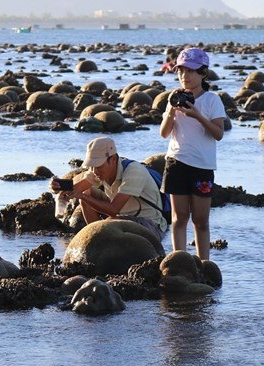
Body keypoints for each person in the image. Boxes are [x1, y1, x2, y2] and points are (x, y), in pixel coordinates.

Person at [158, 47, 226, 261]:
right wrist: (170, 110)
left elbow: (218, 133)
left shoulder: (212, 100)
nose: (184, 76)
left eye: (190, 71)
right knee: (178, 219)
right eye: (180, 71)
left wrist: (197, 115)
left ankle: (204, 263)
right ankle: (180, 262)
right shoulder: (174, 98)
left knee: (201, 220)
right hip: (176, 163)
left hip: (202, 167)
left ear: (203, 73)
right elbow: (164, 133)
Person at [49, 137, 168, 243]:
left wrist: (82, 196)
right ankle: (97, 241)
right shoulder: (98, 171)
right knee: (87, 193)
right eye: (92, 166)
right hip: (123, 217)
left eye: (98, 166)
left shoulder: (134, 171)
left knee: (107, 220)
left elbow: (113, 210)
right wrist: (58, 187)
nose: (95, 171)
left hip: (151, 224)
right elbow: (75, 189)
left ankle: (101, 238)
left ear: (113, 160)